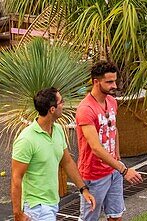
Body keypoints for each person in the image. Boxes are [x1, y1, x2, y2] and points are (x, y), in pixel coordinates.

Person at [11, 87, 95, 221]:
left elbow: (67, 162)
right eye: (61, 102)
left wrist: (83, 189)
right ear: (52, 109)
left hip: (52, 203)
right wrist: (18, 213)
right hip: (36, 207)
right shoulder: (26, 140)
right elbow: (16, 178)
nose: (64, 104)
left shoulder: (58, 130)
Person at [75, 61, 142, 221]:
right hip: (94, 175)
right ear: (96, 82)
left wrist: (117, 157)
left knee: (116, 216)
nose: (114, 86)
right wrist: (124, 170)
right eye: (109, 82)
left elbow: (114, 129)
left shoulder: (112, 101)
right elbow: (96, 148)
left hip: (113, 170)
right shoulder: (86, 110)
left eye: (115, 81)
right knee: (89, 219)